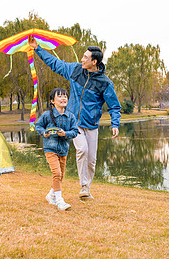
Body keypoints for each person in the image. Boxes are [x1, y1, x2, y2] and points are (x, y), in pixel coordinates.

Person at [29, 37, 121, 199]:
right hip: (73, 122)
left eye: (86, 57)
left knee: (92, 160)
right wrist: (37, 48)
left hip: (91, 124)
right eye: (83, 56)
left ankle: (86, 188)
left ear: (94, 62)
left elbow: (114, 106)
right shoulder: (75, 70)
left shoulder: (105, 83)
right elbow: (55, 63)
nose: (82, 59)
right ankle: (83, 186)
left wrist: (115, 123)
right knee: (82, 150)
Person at [35, 88, 79, 211]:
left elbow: (75, 132)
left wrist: (65, 133)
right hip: (50, 148)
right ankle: (59, 201)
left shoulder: (70, 116)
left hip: (63, 150)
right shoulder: (46, 115)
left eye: (65, 96)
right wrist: (44, 133)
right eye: (60, 96)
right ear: (52, 101)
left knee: (60, 176)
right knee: (57, 173)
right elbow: (38, 126)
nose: (63, 98)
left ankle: (51, 195)